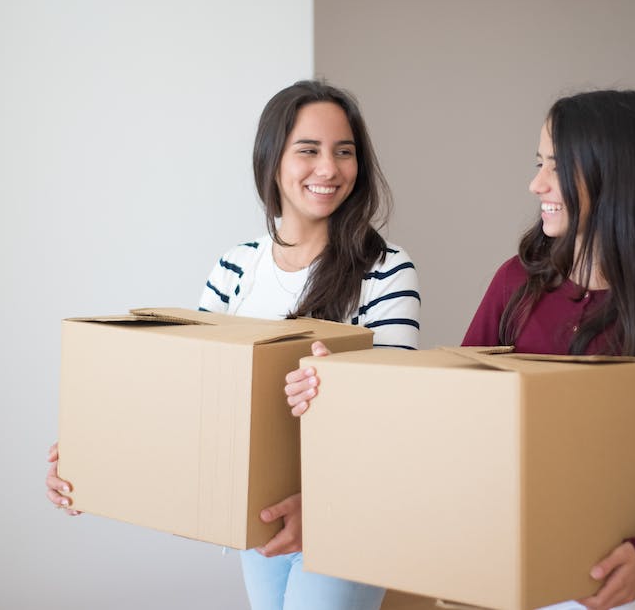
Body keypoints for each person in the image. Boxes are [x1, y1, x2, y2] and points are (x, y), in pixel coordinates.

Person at [288, 90, 635, 610]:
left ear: (617, 175)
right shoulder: (516, 282)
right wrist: (343, 389)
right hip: (495, 553)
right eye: (538, 163)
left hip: (607, 575)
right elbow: (450, 404)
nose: (536, 183)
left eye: (557, 167)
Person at [46, 79, 420, 610]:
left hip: (346, 515)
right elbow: (188, 392)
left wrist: (338, 386)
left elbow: (399, 406)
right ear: (272, 160)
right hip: (258, 515)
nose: (329, 169)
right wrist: (91, 452)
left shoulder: (385, 268)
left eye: (344, 152)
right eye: (308, 151)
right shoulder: (237, 266)